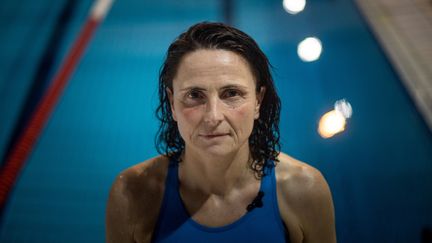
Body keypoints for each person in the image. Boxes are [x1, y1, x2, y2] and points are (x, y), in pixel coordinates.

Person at [106, 22, 336, 243]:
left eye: (231, 93)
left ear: (258, 101)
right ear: (172, 103)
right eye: (195, 95)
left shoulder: (303, 189)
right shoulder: (132, 192)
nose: (213, 116)